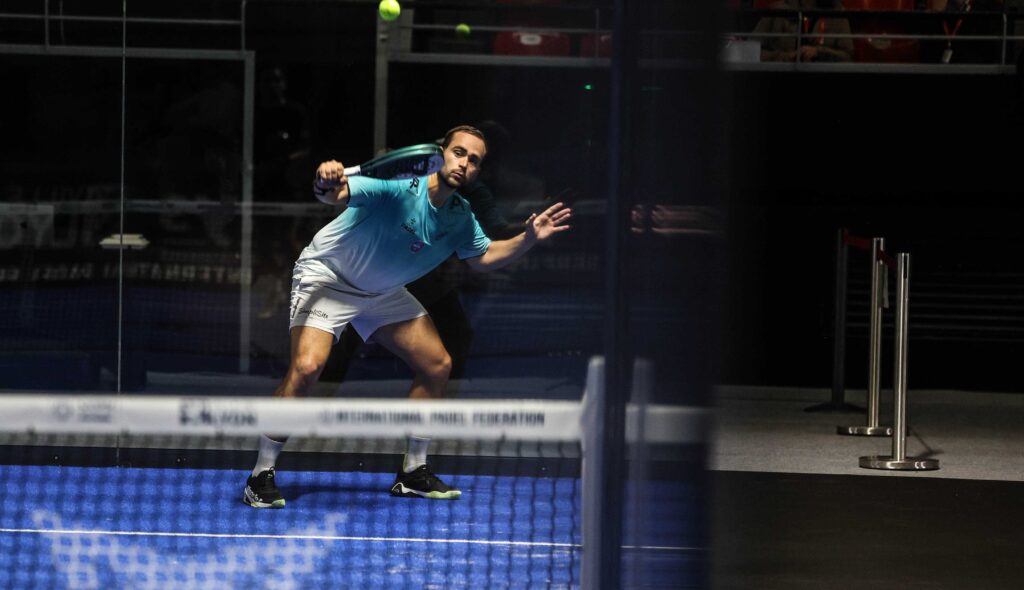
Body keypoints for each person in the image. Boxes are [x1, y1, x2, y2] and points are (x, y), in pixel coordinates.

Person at [243, 125, 572, 508]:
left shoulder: (460, 216)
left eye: (474, 161)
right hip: (329, 278)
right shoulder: (398, 186)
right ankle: (260, 475)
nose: (464, 164)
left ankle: (413, 472)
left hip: (382, 292)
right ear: (440, 152)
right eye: (459, 153)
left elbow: (483, 258)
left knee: (437, 365)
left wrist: (528, 238)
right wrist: (325, 179)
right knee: (307, 368)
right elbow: (334, 193)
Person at [753, 0, 854, 63]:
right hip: (778, 78)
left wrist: (819, 52)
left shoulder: (837, 14)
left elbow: (848, 57)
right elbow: (750, 52)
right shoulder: (777, 12)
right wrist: (786, 57)